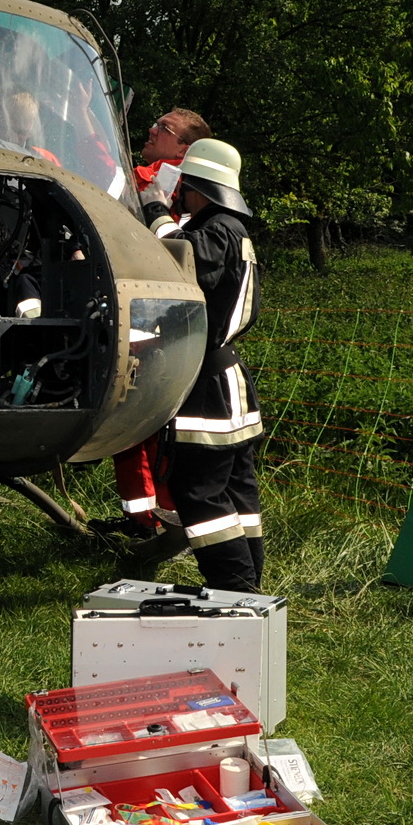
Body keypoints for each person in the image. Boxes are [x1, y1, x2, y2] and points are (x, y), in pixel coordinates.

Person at [145, 137, 265, 591]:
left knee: (200, 496)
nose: (182, 197)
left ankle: (234, 592)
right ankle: (249, 590)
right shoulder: (233, 229)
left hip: (208, 390)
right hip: (227, 380)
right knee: (238, 495)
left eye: (185, 188)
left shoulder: (217, 230)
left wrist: (155, 212)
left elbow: (181, 262)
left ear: (200, 188)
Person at [92, 107, 215, 543]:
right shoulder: (192, 184)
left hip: (153, 319)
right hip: (164, 318)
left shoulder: (165, 176)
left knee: (140, 425)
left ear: (184, 148)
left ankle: (151, 524)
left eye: (164, 129)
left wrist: (88, 120)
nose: (152, 130)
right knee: (146, 428)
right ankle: (148, 519)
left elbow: (114, 173)